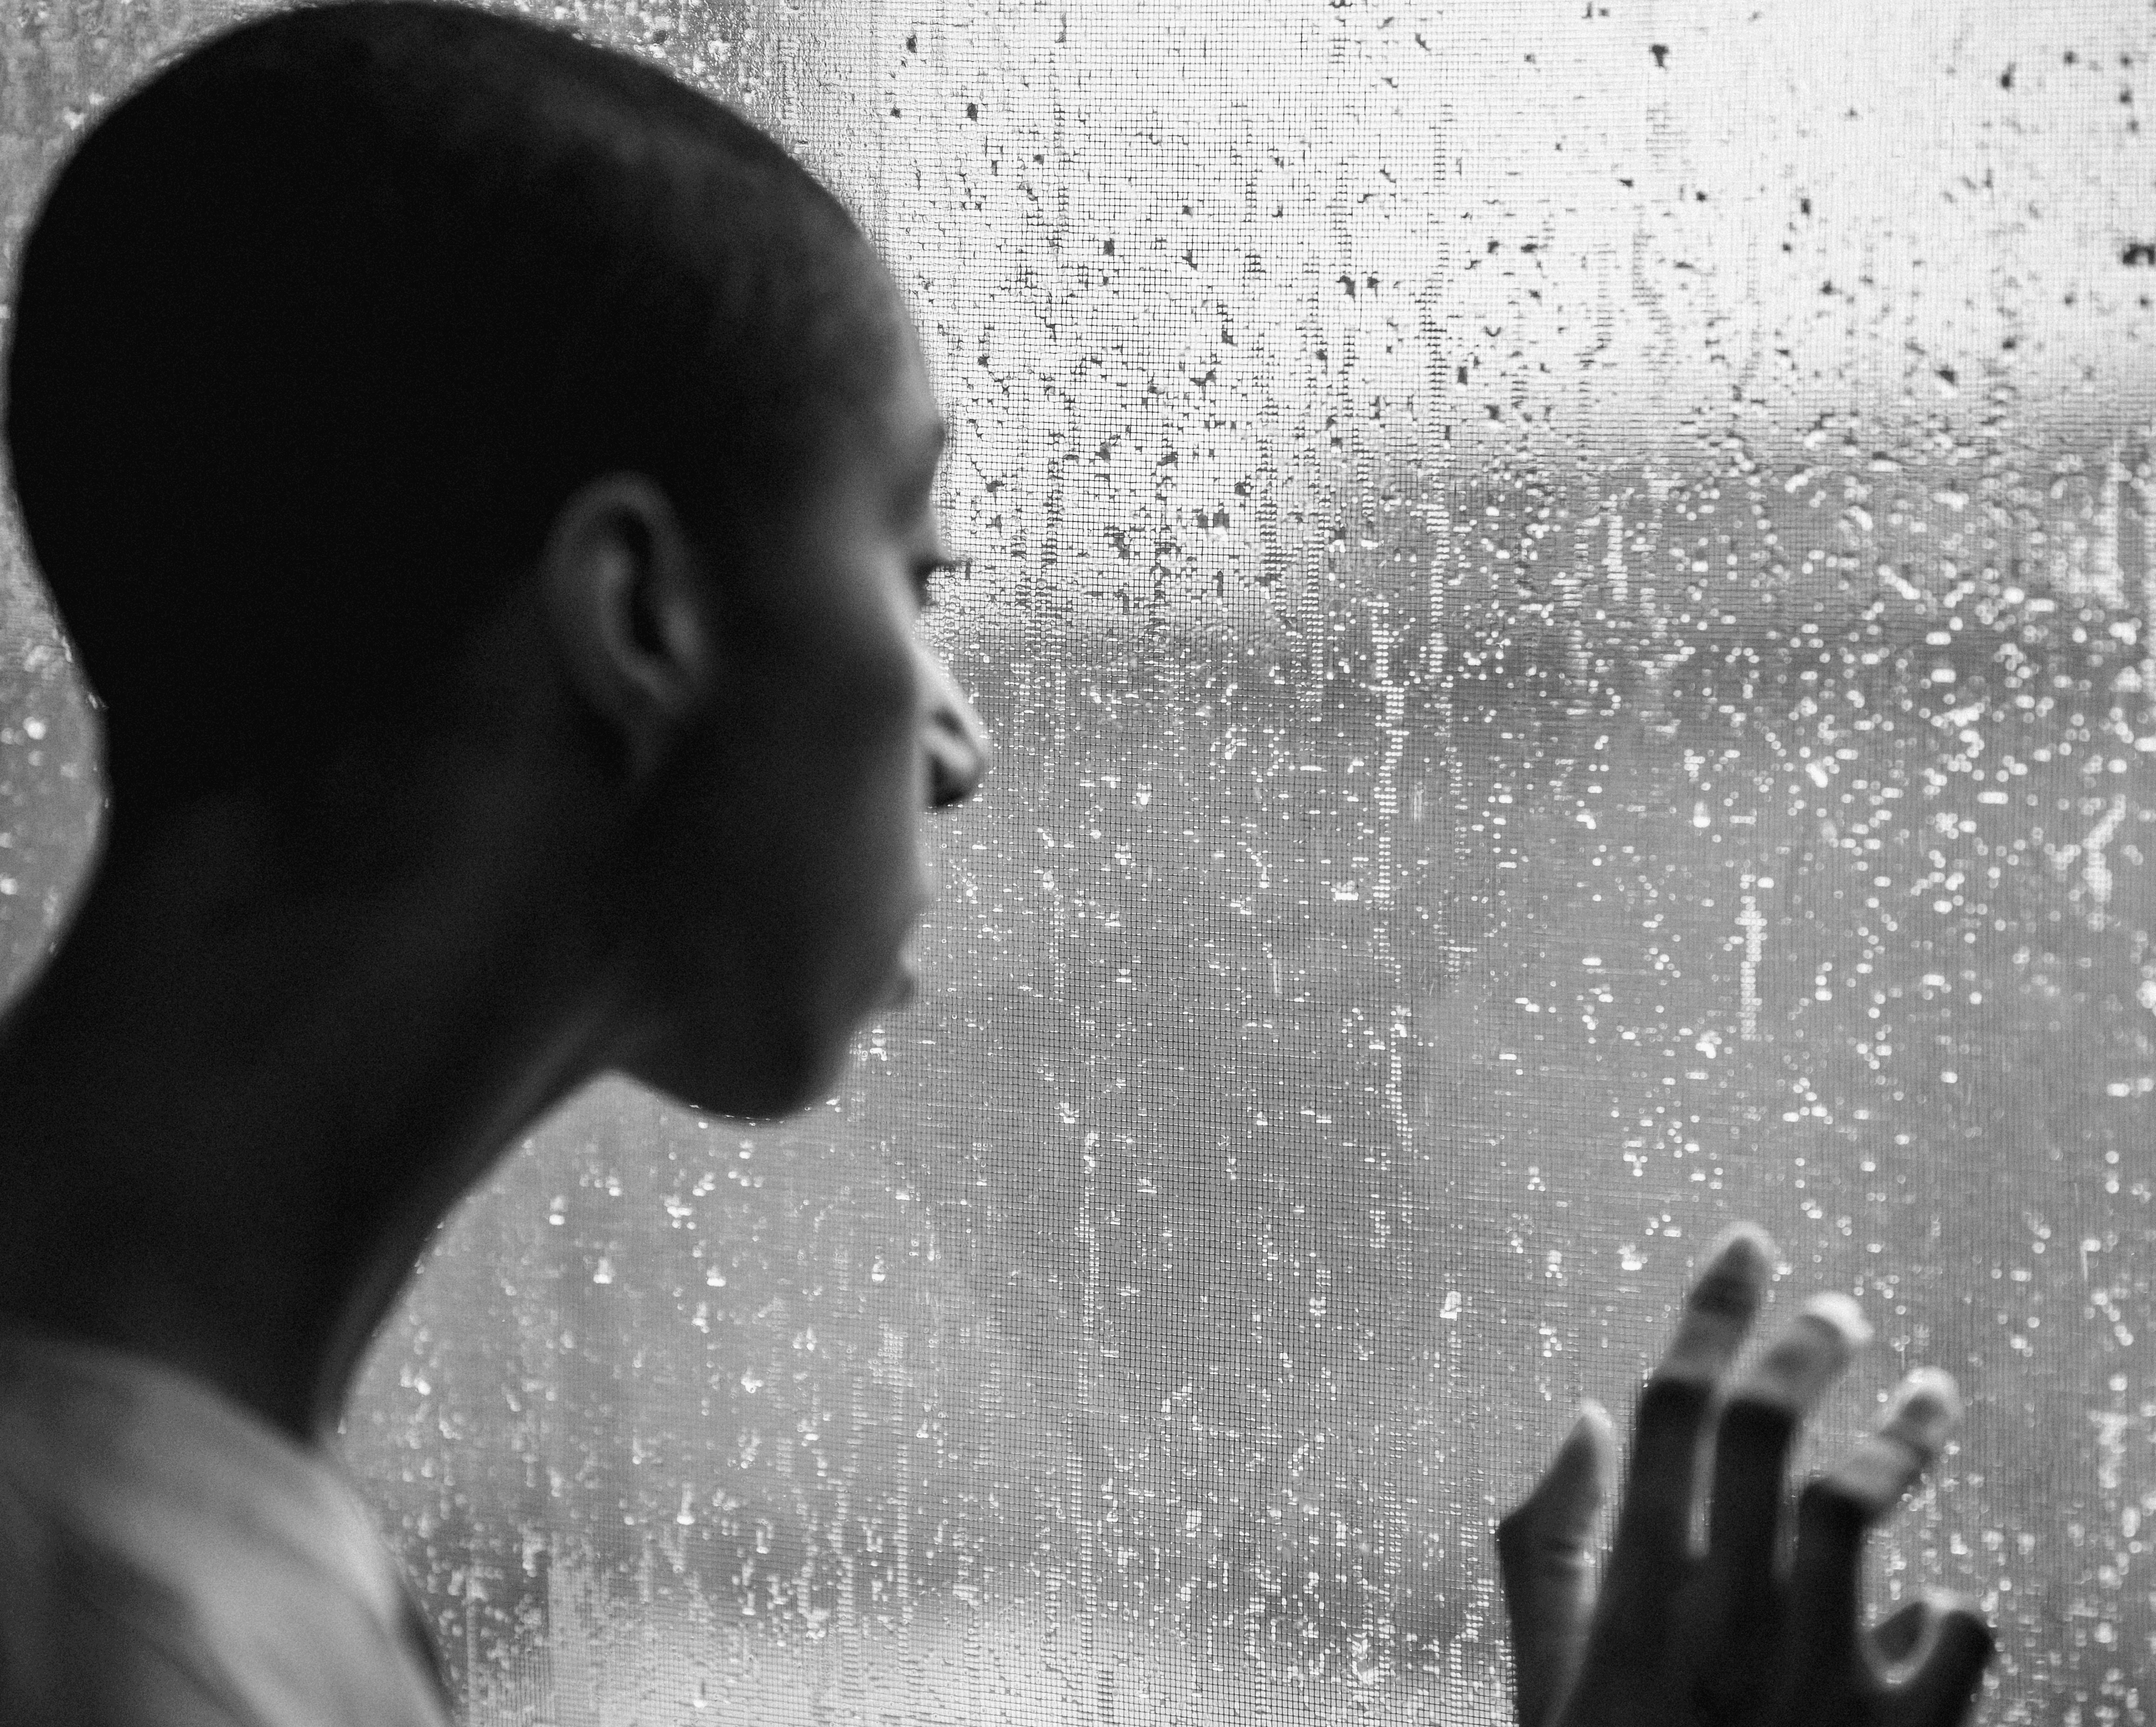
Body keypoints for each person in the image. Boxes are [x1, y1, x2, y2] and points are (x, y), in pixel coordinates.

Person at [0, 4, 1989, 1723]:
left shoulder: (186, 1512)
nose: (960, 745)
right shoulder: (119, 1634)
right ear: (642, 612)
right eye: (914, 570)